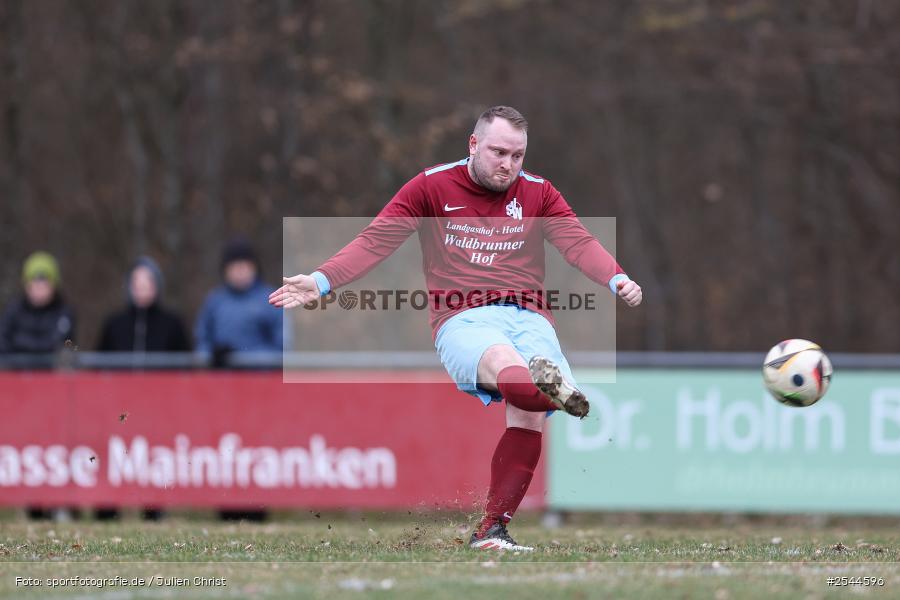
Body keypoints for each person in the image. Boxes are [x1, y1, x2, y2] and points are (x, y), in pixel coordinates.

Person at [269, 106, 643, 551]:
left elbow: (576, 240)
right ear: (473, 144)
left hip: (531, 317)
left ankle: (492, 530)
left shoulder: (539, 193)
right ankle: (553, 389)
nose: (508, 164)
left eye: (518, 155)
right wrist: (321, 281)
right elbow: (376, 239)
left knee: (528, 413)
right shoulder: (430, 187)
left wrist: (616, 276)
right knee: (509, 366)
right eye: (499, 152)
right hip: (465, 318)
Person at [195, 238, 285, 365]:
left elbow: (282, 348)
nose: (239, 272)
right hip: (222, 380)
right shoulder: (215, 301)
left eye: (244, 266)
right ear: (225, 271)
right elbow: (203, 340)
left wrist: (239, 357)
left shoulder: (272, 299)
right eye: (234, 267)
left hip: (261, 380)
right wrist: (212, 356)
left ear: (254, 268)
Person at [98, 256, 191, 354]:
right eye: (136, 281)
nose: (142, 286)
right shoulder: (114, 324)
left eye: (147, 281)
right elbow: (98, 361)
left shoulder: (173, 324)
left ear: (157, 285)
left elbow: (186, 362)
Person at [0, 251, 76, 356]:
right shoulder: (13, 311)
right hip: (17, 370)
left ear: (54, 285)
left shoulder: (64, 313)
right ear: (26, 285)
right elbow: (3, 343)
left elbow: (66, 344)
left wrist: (19, 343)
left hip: (51, 371)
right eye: (34, 282)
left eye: (45, 283)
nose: (39, 288)